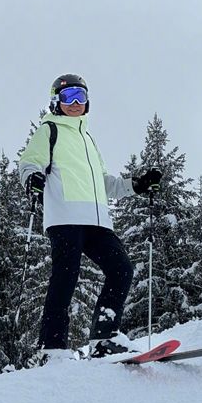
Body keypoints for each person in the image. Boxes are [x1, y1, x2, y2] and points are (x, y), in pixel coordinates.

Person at [18, 73, 161, 363]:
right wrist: (31, 178)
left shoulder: (88, 139)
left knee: (121, 269)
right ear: (56, 101)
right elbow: (29, 162)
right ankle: (53, 348)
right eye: (68, 97)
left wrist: (136, 185)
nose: (75, 103)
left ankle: (104, 338)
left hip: (97, 221)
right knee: (66, 277)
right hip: (65, 217)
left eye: (80, 96)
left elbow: (104, 183)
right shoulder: (49, 130)